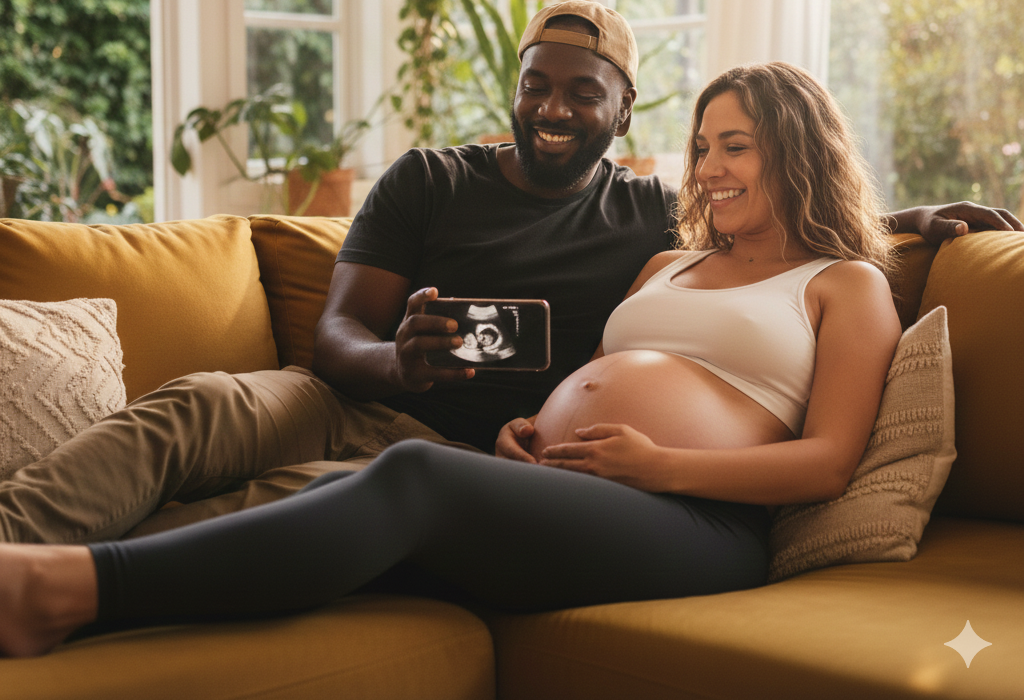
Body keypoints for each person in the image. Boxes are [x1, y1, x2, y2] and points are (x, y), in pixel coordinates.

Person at [0, 3, 1019, 549]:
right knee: (197, 409)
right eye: (536, 84)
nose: (553, 108)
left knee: (292, 500)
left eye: (583, 92)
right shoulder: (428, 179)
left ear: (623, 111)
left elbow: (776, 219)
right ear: (516, 86)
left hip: (478, 457)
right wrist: (396, 362)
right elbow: (334, 336)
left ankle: (83, 572)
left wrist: (908, 224)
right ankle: (18, 538)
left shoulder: (648, 212)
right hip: (349, 399)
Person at [0, 60, 929, 655]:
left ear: (797, 153)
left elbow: (828, 462)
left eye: (737, 147)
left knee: (415, 477)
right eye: (701, 147)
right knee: (330, 485)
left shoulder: (844, 284)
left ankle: (71, 591)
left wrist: (661, 464)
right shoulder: (667, 261)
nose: (710, 167)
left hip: (699, 521)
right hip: (569, 488)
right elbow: (596, 377)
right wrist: (529, 429)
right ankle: (44, 556)